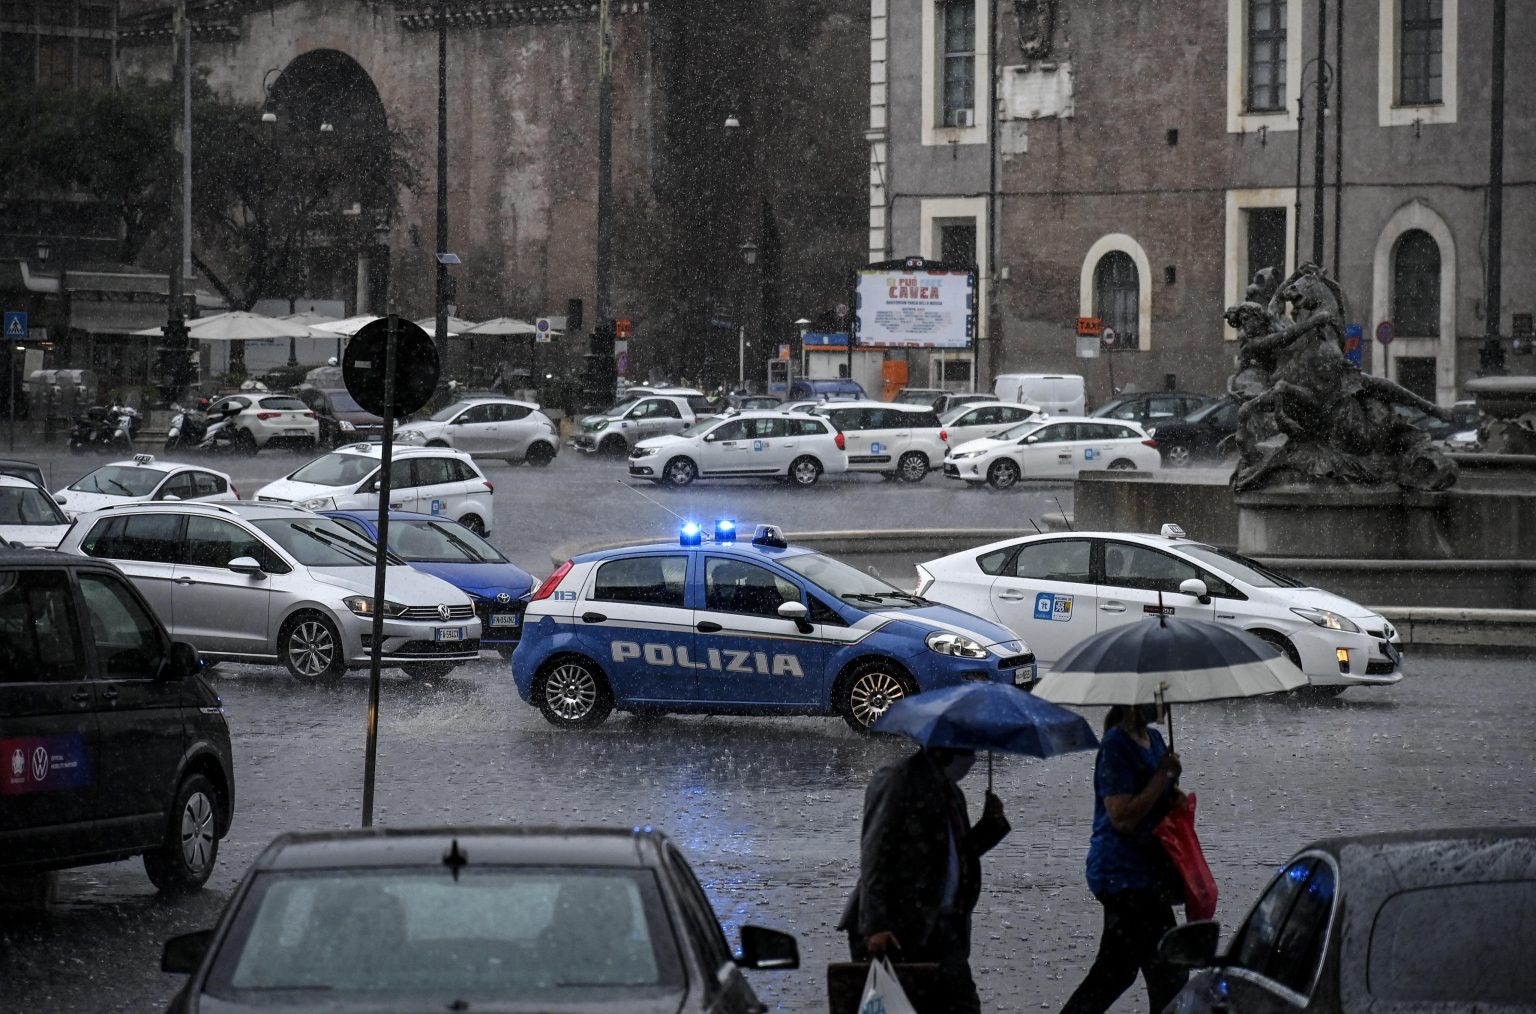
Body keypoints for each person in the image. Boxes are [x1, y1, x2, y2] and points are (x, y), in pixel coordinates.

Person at [837, 746, 1010, 1014]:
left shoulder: (951, 792)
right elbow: (875, 853)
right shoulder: (898, 779)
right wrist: (876, 925)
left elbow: (951, 855)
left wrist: (991, 824)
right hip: (898, 928)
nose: (971, 757)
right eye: (966, 748)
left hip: (942, 927)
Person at [1060, 704, 1188, 1014]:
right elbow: (1122, 817)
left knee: (1164, 974)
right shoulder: (1116, 747)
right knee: (1123, 972)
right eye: (1156, 696)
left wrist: (1174, 797)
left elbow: (1157, 800)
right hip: (1122, 876)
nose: (1164, 704)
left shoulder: (1156, 740)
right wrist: (1162, 777)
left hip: (1150, 875)